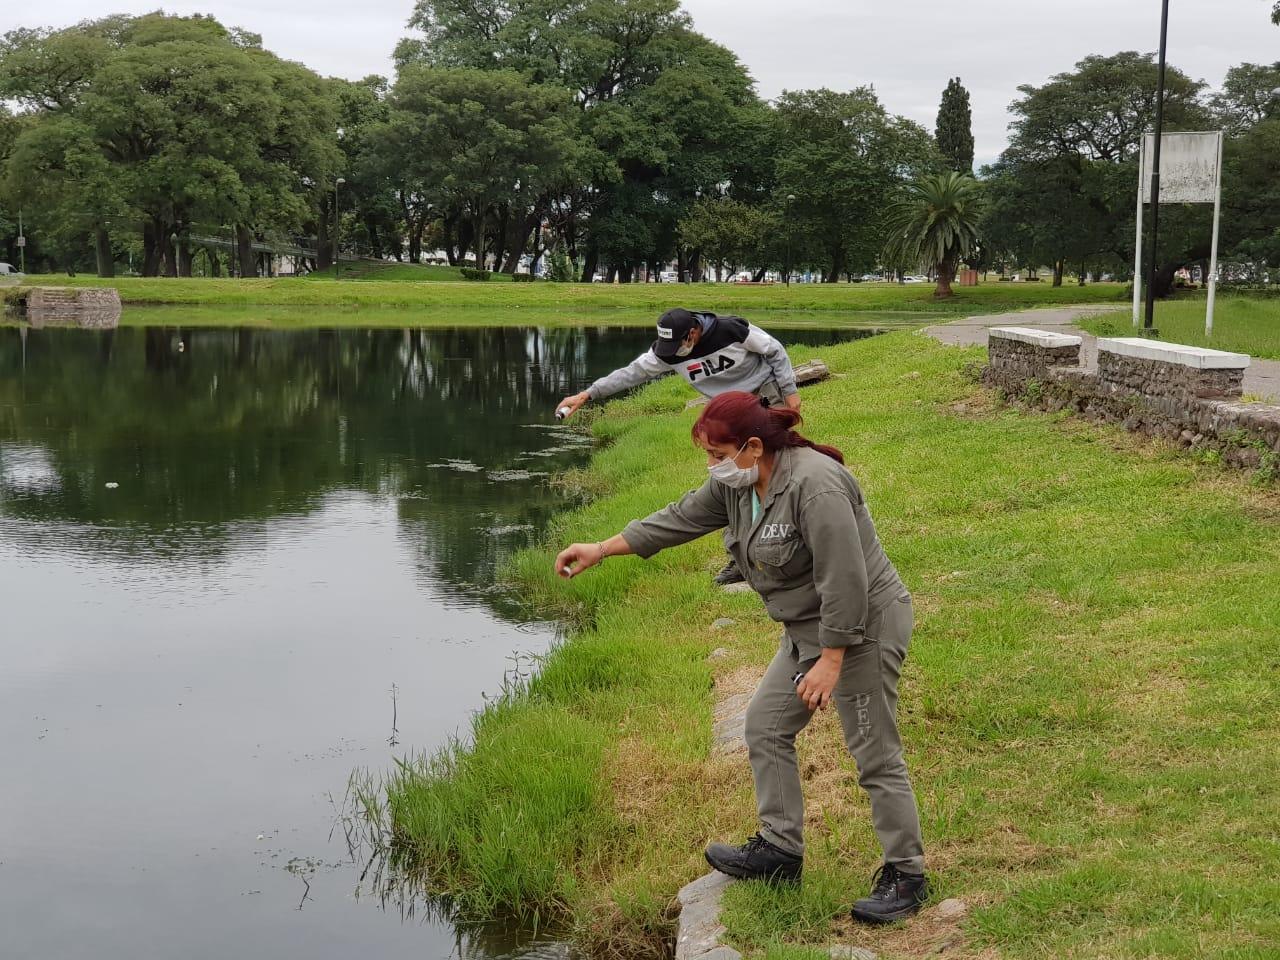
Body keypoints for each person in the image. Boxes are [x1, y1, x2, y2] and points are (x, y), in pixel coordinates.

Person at [553, 392, 929, 925]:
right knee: (765, 727)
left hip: (860, 627)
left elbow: (847, 581)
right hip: (804, 629)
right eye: (707, 455)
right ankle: (779, 851)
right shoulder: (740, 482)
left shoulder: (815, 487)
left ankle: (906, 874)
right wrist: (602, 548)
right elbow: (678, 518)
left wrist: (832, 659)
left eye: (717, 454)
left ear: (753, 446)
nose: (712, 466)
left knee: (873, 751)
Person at [556, 308, 801, 585]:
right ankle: (740, 556)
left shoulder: (731, 330)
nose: (672, 352)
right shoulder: (669, 351)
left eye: (677, 344)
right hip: (727, 412)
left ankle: (788, 544)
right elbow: (632, 373)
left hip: (764, 395)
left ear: (693, 333)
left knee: (775, 470)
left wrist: (789, 391)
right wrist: (588, 394)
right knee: (733, 481)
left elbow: (775, 350)